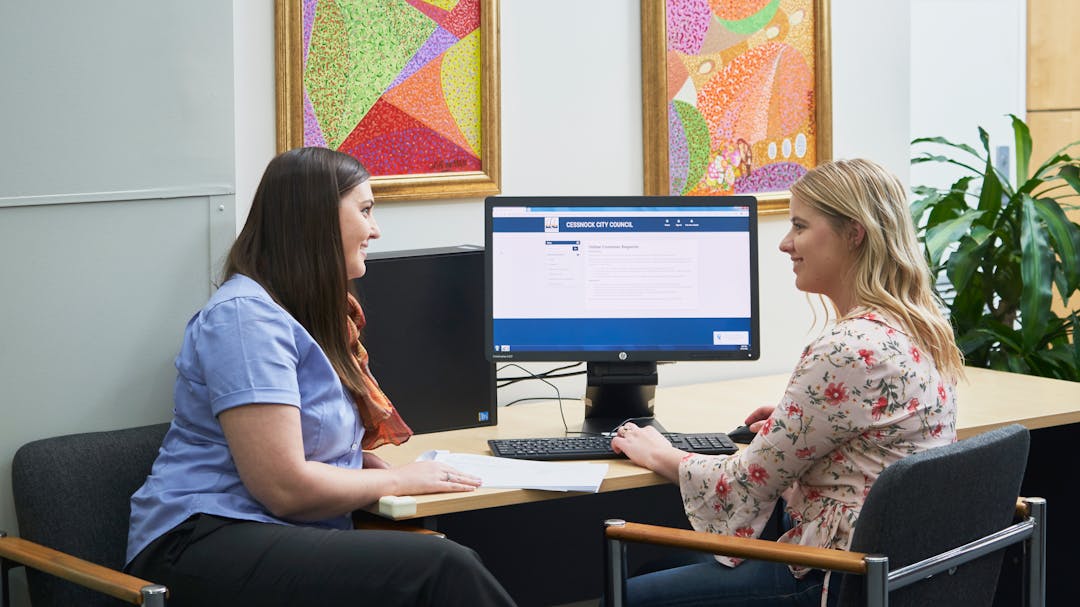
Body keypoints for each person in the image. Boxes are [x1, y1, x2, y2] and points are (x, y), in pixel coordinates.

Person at [125, 147, 515, 606]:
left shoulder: (303, 317)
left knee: (436, 554)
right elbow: (285, 488)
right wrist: (399, 479)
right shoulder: (243, 320)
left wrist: (353, 464)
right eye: (365, 210)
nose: (375, 229)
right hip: (198, 544)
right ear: (317, 219)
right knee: (442, 566)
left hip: (273, 532)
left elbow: (302, 446)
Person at [610, 158, 962, 607]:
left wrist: (663, 453)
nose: (784, 243)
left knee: (626, 594)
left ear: (854, 233)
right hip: (900, 570)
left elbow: (743, 482)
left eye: (799, 226)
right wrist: (799, 426)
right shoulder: (919, 326)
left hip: (835, 575)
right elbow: (880, 438)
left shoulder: (847, 347)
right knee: (656, 570)